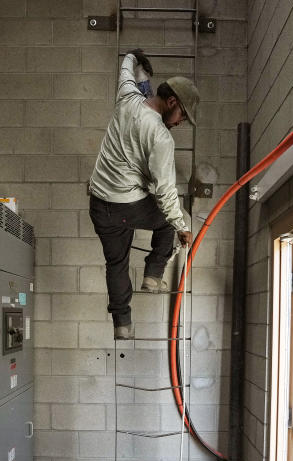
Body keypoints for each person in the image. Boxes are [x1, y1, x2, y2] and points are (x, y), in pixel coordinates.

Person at [88, 49, 200, 339]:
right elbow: (165, 193)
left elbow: (126, 70)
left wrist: (133, 57)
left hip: (99, 205)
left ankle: (122, 324)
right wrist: (183, 228)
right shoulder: (161, 137)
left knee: (116, 263)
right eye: (182, 116)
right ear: (172, 102)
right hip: (127, 206)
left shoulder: (127, 97)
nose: (179, 122)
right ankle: (153, 275)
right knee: (177, 216)